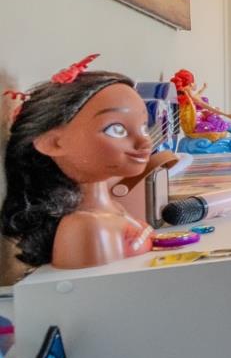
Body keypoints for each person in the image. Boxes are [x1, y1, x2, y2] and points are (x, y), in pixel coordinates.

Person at [2, 56, 171, 269]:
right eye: (117, 129)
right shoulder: (86, 227)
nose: (144, 141)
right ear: (54, 143)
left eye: (144, 127)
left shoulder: (111, 208)